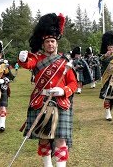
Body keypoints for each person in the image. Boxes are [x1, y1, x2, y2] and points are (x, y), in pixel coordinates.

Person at [18, 13, 77, 167]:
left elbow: (73, 84)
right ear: (43, 44)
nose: (50, 44)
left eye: (53, 41)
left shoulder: (65, 62)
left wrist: (63, 90)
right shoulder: (37, 59)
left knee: (60, 138)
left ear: (56, 43)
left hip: (60, 102)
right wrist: (22, 59)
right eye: (48, 42)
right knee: (44, 138)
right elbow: (27, 64)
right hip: (41, 101)